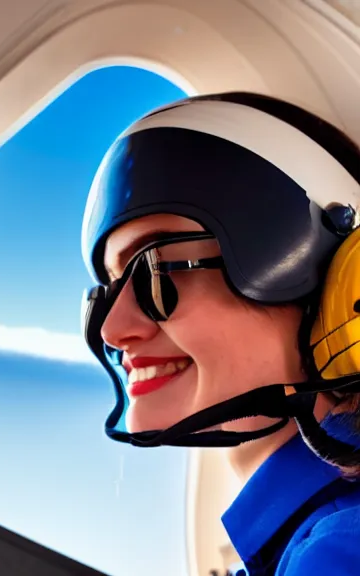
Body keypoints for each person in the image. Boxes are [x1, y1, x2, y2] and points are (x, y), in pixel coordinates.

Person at [80, 92, 360, 575]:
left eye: (157, 269)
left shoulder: (338, 550)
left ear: (341, 284)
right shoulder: (302, 542)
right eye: (105, 292)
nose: (113, 328)